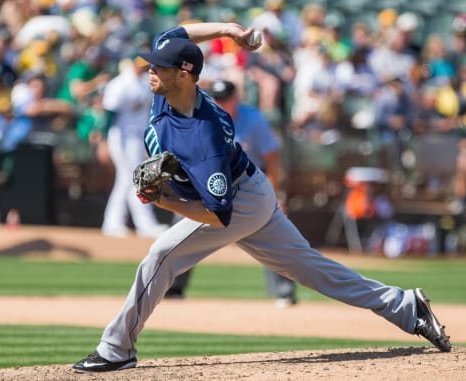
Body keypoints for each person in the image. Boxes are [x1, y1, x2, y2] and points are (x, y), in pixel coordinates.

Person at [73, 22, 451, 373]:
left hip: (239, 202)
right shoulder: (172, 86)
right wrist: (228, 30)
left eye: (158, 68)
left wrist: (160, 201)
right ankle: (405, 305)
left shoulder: (202, 138)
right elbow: (178, 32)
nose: (149, 71)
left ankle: (116, 349)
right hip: (251, 189)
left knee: (161, 256)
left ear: (184, 74)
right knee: (312, 270)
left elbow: (218, 215)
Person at [166, 79, 297, 306]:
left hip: (249, 187)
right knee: (180, 226)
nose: (221, 103)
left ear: (236, 98)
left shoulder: (253, 119)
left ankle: (285, 291)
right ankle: (174, 289)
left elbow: (272, 160)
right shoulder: (202, 117)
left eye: (226, 98)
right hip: (210, 187)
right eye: (217, 98)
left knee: (275, 230)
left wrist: (275, 196)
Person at [100, 55, 169, 238]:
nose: (143, 68)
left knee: (125, 180)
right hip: (120, 136)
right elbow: (108, 114)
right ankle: (145, 224)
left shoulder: (145, 83)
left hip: (137, 137)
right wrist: (103, 142)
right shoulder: (120, 84)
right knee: (135, 179)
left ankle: (112, 223)